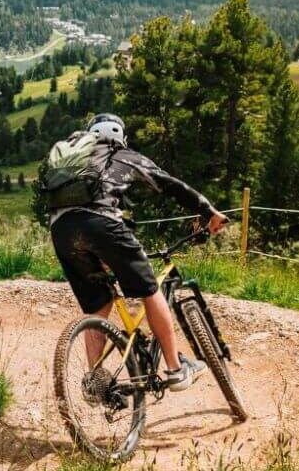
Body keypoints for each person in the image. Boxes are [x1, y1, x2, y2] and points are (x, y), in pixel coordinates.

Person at [46, 114, 228, 392]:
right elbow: (169, 184)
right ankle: (176, 370)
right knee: (149, 290)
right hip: (101, 222)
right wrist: (208, 211)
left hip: (61, 229)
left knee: (98, 305)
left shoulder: (78, 162)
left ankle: (96, 383)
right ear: (120, 137)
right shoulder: (122, 154)